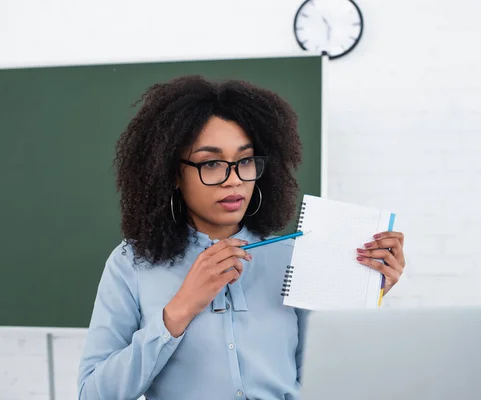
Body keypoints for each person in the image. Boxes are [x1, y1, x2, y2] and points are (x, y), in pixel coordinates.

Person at [77, 75, 406, 400]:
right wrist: (179, 310)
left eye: (245, 161)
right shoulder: (132, 264)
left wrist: (359, 298)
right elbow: (93, 394)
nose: (233, 180)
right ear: (172, 173)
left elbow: (324, 380)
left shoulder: (294, 257)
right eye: (212, 163)